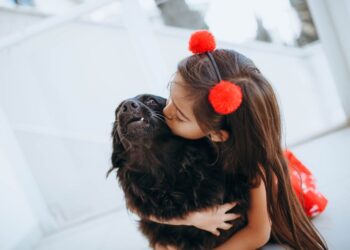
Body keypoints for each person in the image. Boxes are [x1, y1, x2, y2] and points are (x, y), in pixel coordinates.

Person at [145, 30, 328, 249]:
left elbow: (258, 232)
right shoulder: (181, 129)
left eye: (180, 115)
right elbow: (142, 205)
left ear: (216, 134)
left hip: (285, 192)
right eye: (170, 95)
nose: (166, 111)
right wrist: (192, 219)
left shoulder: (254, 168)